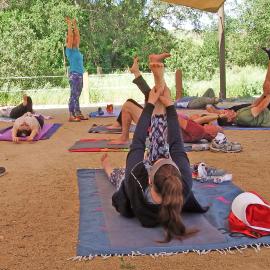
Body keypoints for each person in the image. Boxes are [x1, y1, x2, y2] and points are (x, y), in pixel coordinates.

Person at [101, 54, 207, 242]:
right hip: (157, 184)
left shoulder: (134, 178)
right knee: (159, 140)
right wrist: (170, 108)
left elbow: (139, 143)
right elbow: (175, 146)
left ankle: (105, 164)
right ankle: (159, 79)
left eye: (157, 161)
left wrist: (151, 104)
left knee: (115, 176)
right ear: (176, 172)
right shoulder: (181, 184)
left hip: (133, 188)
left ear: (149, 177)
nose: (157, 157)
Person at [108, 57, 222, 144]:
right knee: (150, 95)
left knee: (132, 104)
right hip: (160, 125)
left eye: (215, 127)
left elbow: (177, 120)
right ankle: (144, 71)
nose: (213, 125)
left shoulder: (200, 131)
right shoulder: (199, 130)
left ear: (212, 133)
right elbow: (200, 119)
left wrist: (164, 104)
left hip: (158, 126)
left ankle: (124, 137)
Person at [65, 17, 88, 122]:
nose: (75, 39)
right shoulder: (69, 50)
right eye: (73, 38)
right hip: (74, 75)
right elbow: (70, 36)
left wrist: (75, 25)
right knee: (73, 94)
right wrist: (69, 25)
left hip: (79, 74)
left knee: (77, 95)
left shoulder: (77, 49)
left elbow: (77, 35)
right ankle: (71, 114)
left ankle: (77, 113)